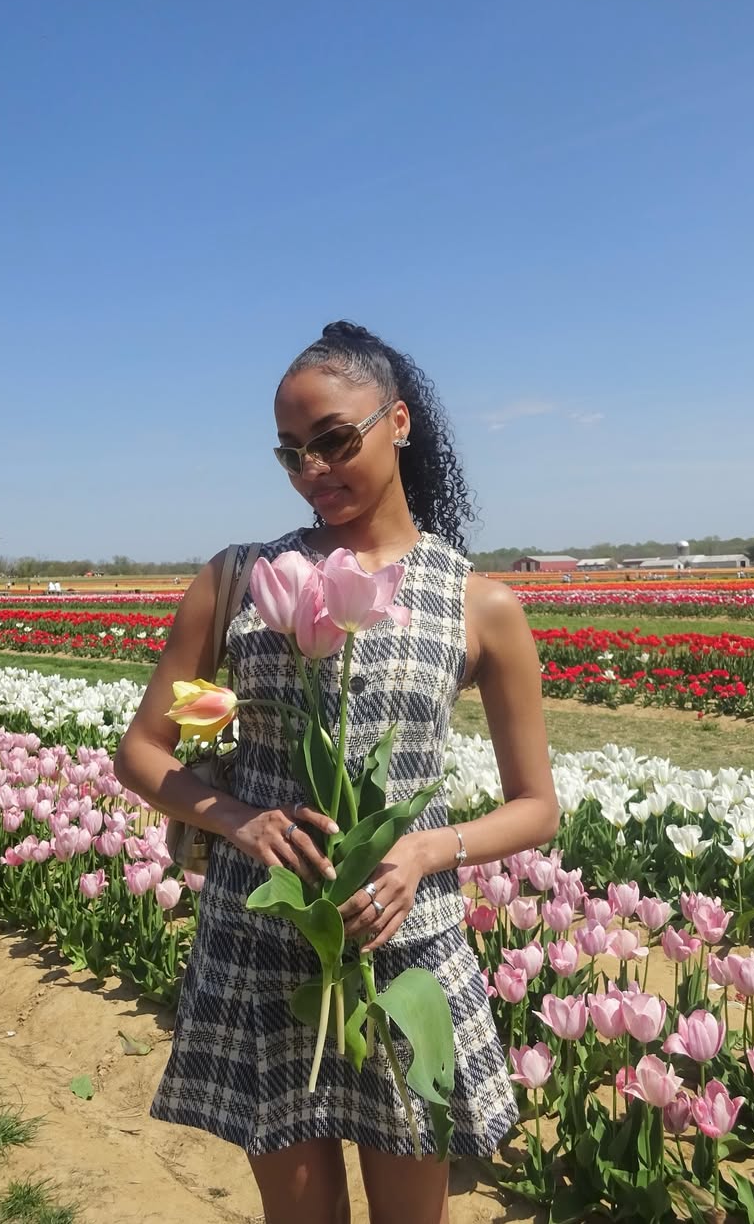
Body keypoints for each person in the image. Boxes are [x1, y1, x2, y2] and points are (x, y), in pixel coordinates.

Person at [115, 321, 558, 1224]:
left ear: (396, 422)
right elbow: (142, 750)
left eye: (334, 440)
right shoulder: (244, 578)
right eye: (292, 454)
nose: (315, 469)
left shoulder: (480, 604)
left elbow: (537, 807)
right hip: (264, 940)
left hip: (404, 946)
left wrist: (430, 850)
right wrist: (235, 815)